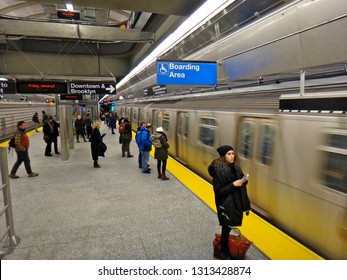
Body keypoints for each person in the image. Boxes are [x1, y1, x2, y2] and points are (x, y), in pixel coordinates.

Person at [208, 145, 251, 260]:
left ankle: (224, 250)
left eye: (232, 153)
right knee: (226, 228)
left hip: (234, 202)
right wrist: (233, 185)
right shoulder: (218, 171)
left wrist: (244, 181)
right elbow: (219, 192)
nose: (232, 156)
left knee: (227, 227)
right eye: (229, 154)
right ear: (223, 156)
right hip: (224, 204)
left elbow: (239, 181)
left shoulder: (236, 166)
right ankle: (223, 251)